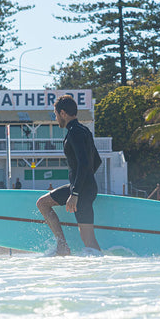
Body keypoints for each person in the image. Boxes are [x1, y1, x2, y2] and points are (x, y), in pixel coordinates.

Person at [36, 95, 102, 255]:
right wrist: (80, 186)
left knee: (88, 239)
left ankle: (101, 269)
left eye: (56, 114)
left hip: (81, 191)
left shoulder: (74, 133)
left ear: (63, 113)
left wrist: (76, 193)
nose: (56, 117)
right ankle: (62, 246)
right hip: (81, 187)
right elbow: (97, 161)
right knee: (43, 203)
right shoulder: (83, 130)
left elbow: (85, 163)